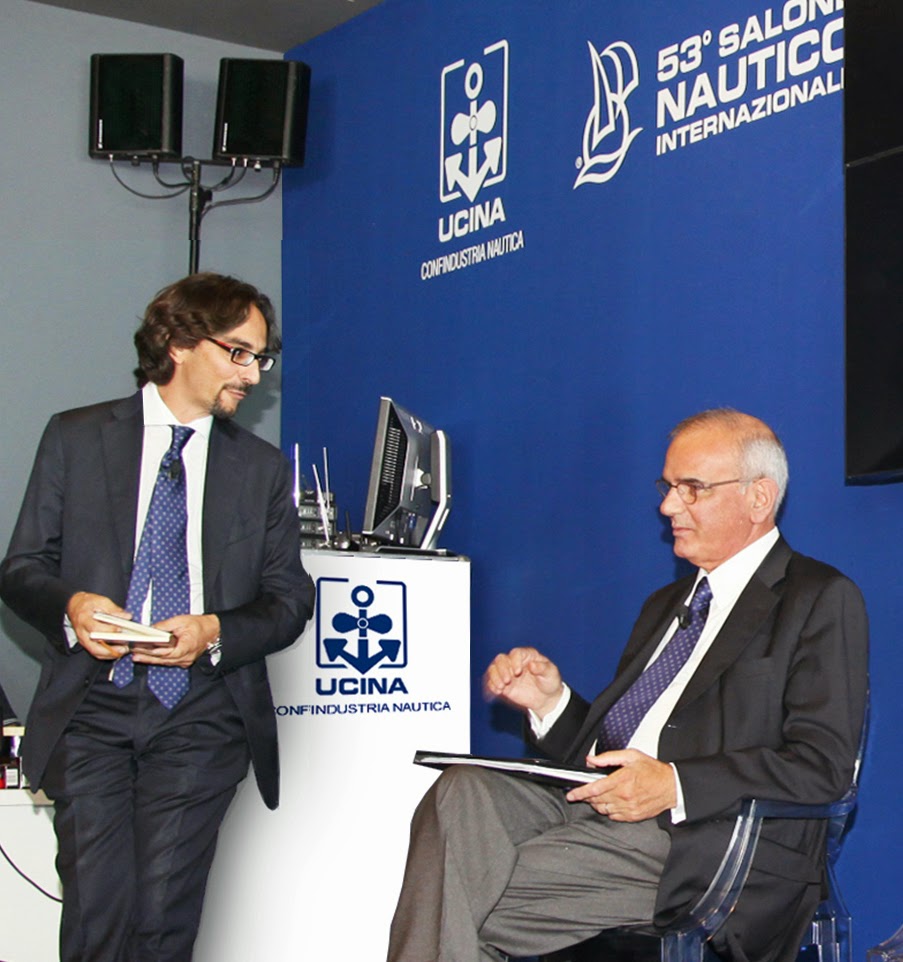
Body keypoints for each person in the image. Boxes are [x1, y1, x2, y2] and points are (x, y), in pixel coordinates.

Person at [387, 409, 868, 962]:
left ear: (759, 498)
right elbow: (616, 749)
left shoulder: (818, 597)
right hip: (597, 813)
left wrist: (675, 784)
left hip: (705, 842)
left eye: (692, 489)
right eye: (668, 487)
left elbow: (823, 767)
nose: (668, 507)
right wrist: (551, 704)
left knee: (455, 891)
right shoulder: (665, 605)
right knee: (462, 790)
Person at [0, 273, 315, 962]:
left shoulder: (260, 470)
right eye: (239, 353)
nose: (253, 374)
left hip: (201, 713)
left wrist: (213, 631)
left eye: (261, 358)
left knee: (163, 918)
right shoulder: (76, 438)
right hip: (91, 707)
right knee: (98, 913)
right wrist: (72, 607)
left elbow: (290, 601)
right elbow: (22, 569)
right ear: (178, 342)